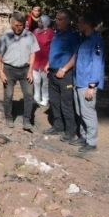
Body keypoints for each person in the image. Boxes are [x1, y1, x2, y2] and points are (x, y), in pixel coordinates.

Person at [0, 13, 40, 131]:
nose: (18, 28)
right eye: (16, 25)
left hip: (25, 69)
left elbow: (32, 53)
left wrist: (30, 71)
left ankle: (27, 120)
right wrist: (1, 72)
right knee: (8, 95)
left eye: (21, 25)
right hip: (9, 69)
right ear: (11, 24)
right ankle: (9, 117)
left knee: (29, 95)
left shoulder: (30, 36)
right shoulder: (5, 37)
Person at [44, 10, 80, 142]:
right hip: (52, 73)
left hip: (65, 75)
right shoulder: (56, 34)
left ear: (67, 21)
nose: (56, 22)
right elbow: (54, 51)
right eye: (56, 19)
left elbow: (76, 55)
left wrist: (64, 69)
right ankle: (58, 126)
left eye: (60, 19)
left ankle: (70, 131)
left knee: (66, 103)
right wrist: (48, 63)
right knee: (54, 101)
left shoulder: (72, 36)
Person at [71, 13, 106, 152]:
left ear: (87, 24)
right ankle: (83, 136)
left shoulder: (96, 41)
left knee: (88, 113)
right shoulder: (83, 40)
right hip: (78, 81)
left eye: (80, 23)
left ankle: (91, 143)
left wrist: (92, 86)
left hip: (87, 84)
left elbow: (97, 65)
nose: (78, 25)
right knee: (80, 111)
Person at [32, 15, 55, 106]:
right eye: (38, 21)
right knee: (36, 81)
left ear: (46, 22)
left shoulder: (51, 33)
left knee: (45, 82)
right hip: (36, 60)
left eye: (41, 21)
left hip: (46, 60)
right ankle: (36, 97)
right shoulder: (35, 31)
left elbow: (54, 47)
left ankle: (45, 98)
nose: (39, 23)